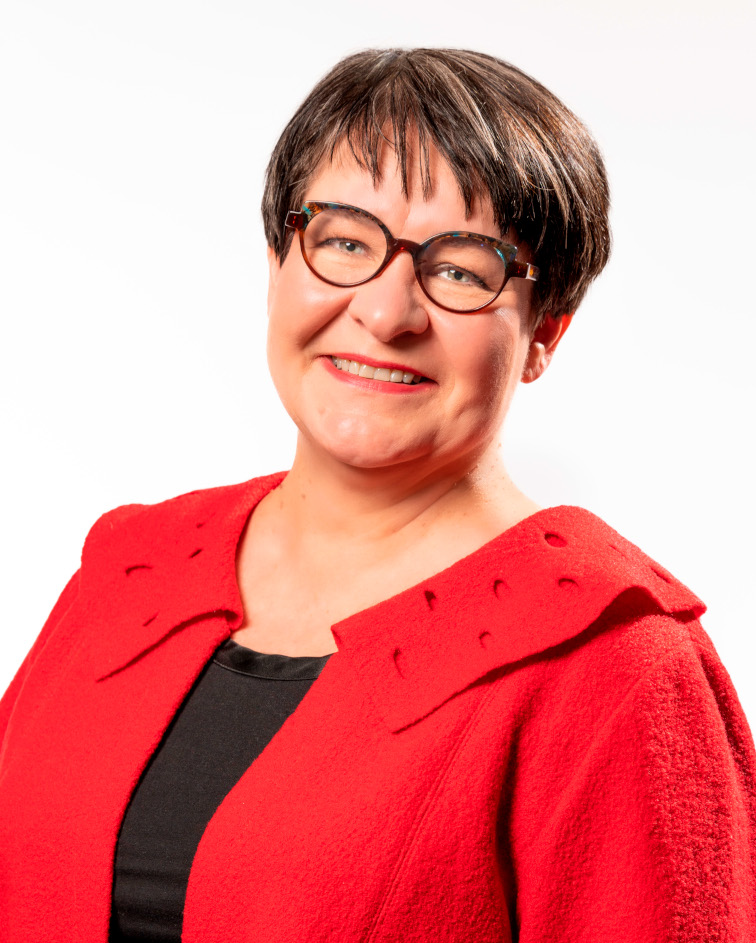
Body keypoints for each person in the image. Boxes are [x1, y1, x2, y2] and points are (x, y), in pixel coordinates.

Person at [0, 47, 754, 943]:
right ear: (279, 263)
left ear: (544, 332)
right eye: (346, 242)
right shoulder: (133, 571)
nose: (387, 313)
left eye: (462, 269)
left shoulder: (615, 662)